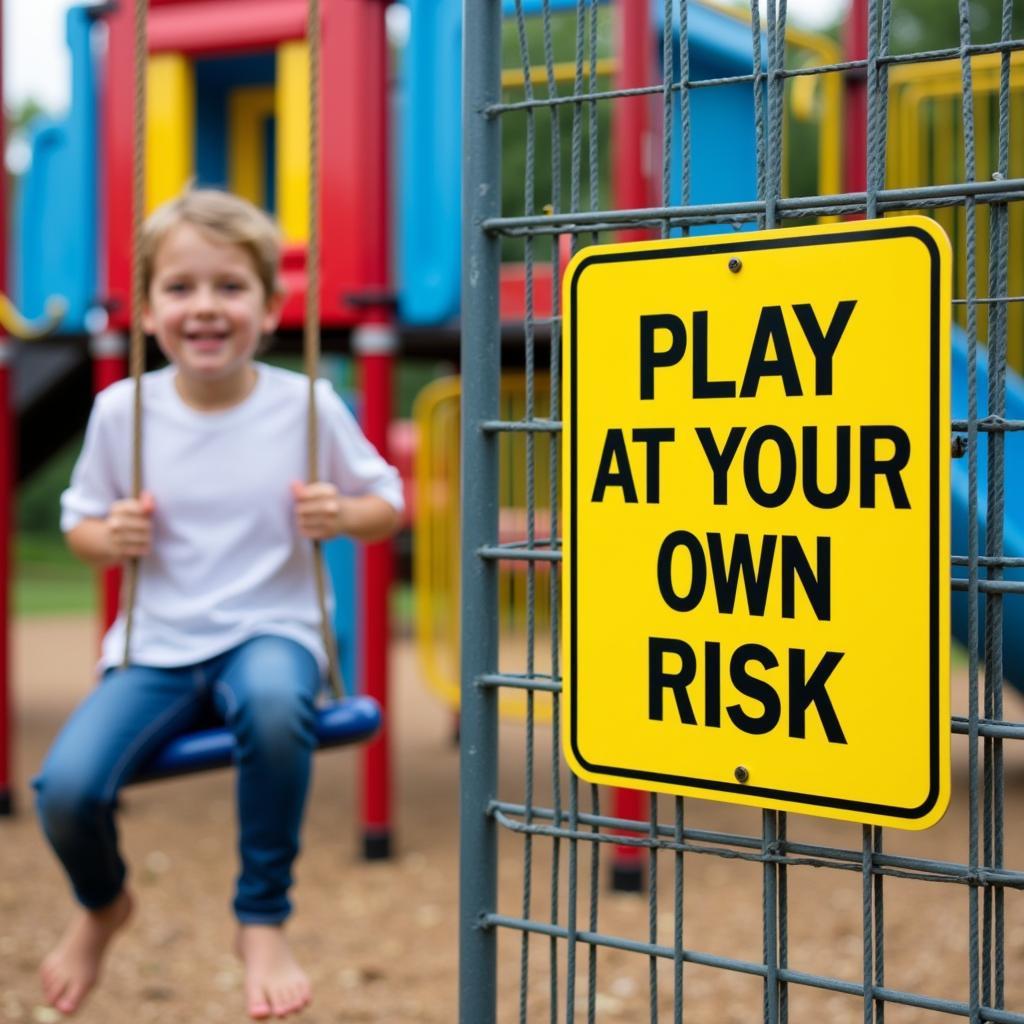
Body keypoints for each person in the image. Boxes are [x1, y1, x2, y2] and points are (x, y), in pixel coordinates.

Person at [33, 188, 403, 1019]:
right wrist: (112, 534)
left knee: (276, 707)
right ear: (150, 308)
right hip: (155, 645)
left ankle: (262, 916)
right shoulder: (120, 411)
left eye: (230, 287)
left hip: (272, 630)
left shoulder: (304, 405)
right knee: (66, 791)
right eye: (181, 287)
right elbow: (79, 524)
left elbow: (388, 504)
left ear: (271, 308)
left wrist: (339, 515)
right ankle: (103, 904)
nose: (205, 306)